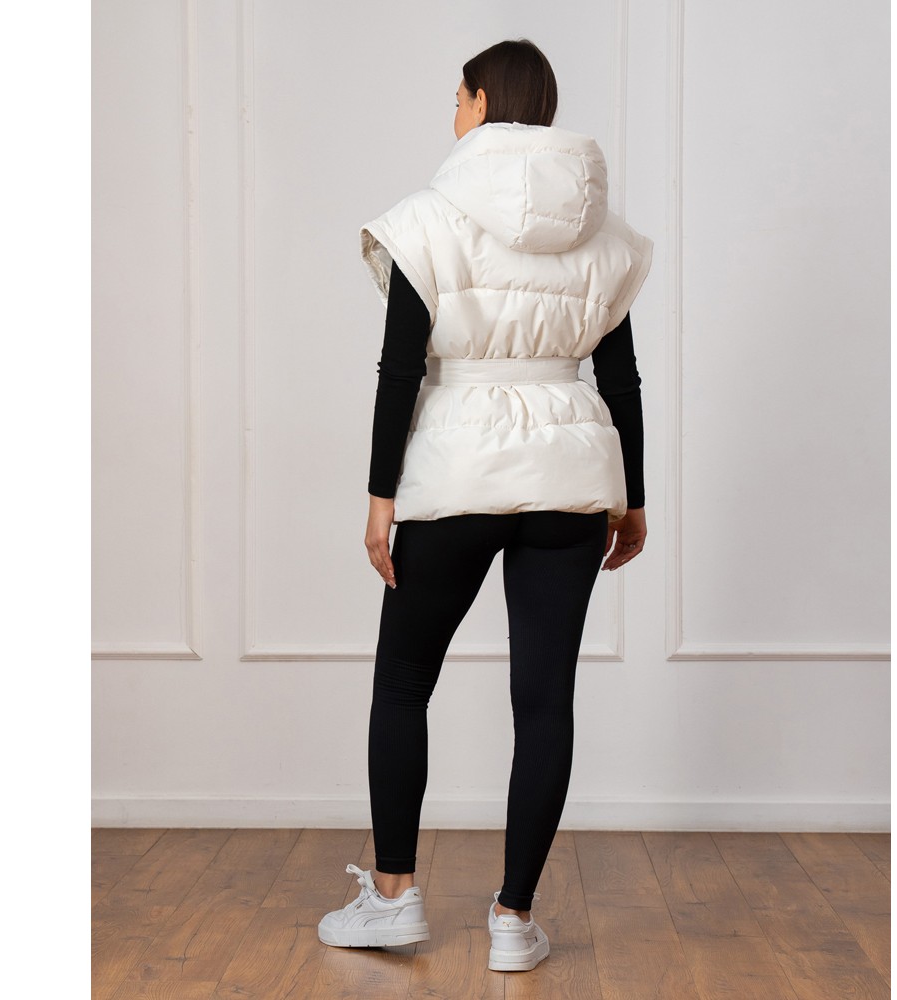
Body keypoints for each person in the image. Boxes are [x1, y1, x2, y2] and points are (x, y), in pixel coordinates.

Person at [317, 39, 653, 973]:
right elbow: (621, 376)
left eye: (457, 98)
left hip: (455, 472)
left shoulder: (428, 219)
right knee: (545, 700)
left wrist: (381, 499)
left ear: (477, 103)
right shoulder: (602, 230)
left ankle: (394, 901)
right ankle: (513, 920)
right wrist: (631, 497)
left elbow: (400, 370)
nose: (452, 112)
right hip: (572, 475)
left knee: (403, 681)